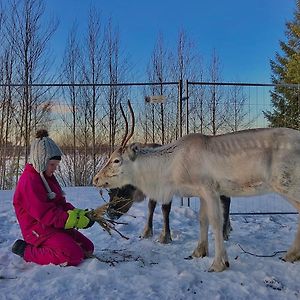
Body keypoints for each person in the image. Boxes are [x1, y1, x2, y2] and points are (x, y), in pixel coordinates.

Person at [11, 129, 95, 266]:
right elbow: (46, 214)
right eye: (52, 165)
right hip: (38, 230)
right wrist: (73, 220)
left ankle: (58, 245)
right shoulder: (29, 182)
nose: (55, 168)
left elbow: (61, 203)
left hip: (54, 227)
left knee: (87, 248)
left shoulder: (47, 177)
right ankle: (26, 250)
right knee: (73, 255)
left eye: (56, 165)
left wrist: (80, 215)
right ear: (40, 162)